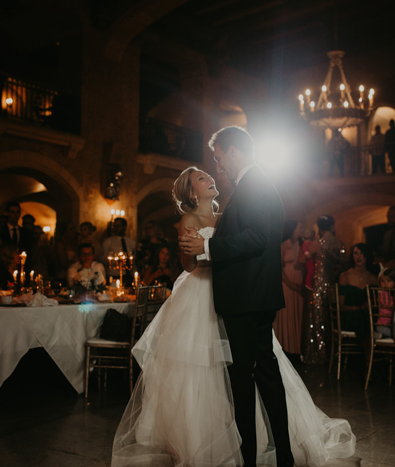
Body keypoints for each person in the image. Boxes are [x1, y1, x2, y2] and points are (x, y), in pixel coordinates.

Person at [114, 160, 355, 467]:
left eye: (208, 174)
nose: (210, 177)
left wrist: (212, 247)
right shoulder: (188, 218)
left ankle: (253, 440)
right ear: (191, 191)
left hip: (233, 290)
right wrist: (191, 252)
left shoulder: (223, 214)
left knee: (241, 366)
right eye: (202, 178)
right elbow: (188, 266)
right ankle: (203, 439)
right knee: (204, 368)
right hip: (200, 293)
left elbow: (239, 245)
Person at [179, 127, 355, 466]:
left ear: (233, 151)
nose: (219, 167)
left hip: (247, 299)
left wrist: (208, 245)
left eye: (219, 159)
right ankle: (281, 456)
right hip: (252, 297)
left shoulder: (254, 184)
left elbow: (258, 237)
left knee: (244, 381)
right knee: (264, 377)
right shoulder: (254, 185)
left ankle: (252, 459)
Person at [303, 215, 347, 364]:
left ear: (320, 228)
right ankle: (332, 353)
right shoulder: (339, 243)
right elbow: (343, 264)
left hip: (319, 284)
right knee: (331, 319)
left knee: (317, 318)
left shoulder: (318, 243)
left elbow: (304, 258)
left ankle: (319, 354)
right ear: (332, 226)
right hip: (333, 284)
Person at [274, 219, 305, 356]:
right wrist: (290, 284)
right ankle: (285, 348)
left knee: (297, 316)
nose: (301, 230)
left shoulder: (301, 244)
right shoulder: (282, 245)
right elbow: (278, 269)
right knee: (287, 316)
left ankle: (296, 349)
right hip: (286, 284)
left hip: (299, 286)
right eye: (299, 228)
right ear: (292, 229)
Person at [337, 243, 378, 342]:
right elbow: (340, 307)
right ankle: (369, 354)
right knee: (364, 322)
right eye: (356, 253)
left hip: (367, 317)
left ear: (367, 255)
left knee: (369, 320)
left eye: (362, 253)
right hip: (350, 317)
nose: (358, 257)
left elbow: (376, 303)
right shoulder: (345, 276)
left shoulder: (372, 278)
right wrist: (359, 308)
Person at [102, 217, 136, 286]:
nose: (115, 229)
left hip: (127, 276)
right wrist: (114, 261)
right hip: (113, 275)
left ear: (124, 227)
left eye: (118, 226)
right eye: (114, 226)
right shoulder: (108, 242)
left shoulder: (131, 243)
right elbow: (102, 258)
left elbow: (133, 260)